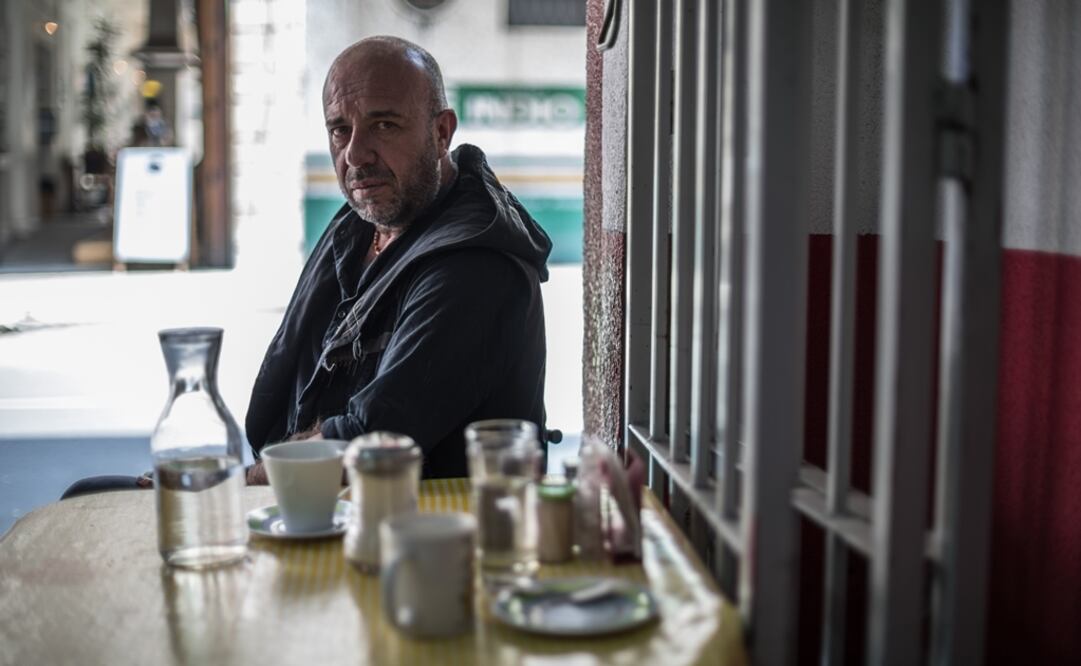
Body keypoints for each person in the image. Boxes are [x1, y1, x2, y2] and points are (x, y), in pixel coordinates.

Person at [243, 36, 551, 483]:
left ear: (441, 132)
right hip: (321, 511)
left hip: (428, 537)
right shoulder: (356, 226)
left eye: (383, 125)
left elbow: (371, 442)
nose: (355, 154)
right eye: (339, 130)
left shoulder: (476, 266)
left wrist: (240, 484)